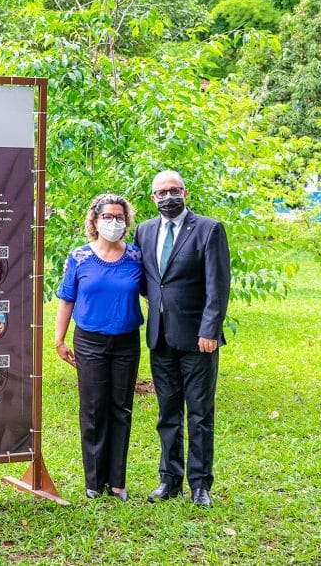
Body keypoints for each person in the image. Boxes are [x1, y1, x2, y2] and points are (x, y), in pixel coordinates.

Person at [133, 171, 231, 508]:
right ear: (153, 198)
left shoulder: (208, 229)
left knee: (200, 414)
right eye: (161, 193)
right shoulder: (144, 231)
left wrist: (210, 330)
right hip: (160, 336)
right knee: (168, 412)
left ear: (185, 192)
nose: (168, 197)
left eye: (173, 190)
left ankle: (200, 485)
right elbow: (145, 279)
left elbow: (218, 285)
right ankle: (169, 479)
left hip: (198, 339)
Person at [55, 194, 144, 503]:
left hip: (126, 342)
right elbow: (66, 299)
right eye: (107, 216)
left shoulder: (136, 257)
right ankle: (94, 481)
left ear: (126, 221)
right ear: (94, 220)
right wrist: (59, 340)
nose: (113, 222)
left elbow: (155, 290)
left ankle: (117, 481)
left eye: (119, 217)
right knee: (93, 408)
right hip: (90, 342)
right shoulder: (79, 257)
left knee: (121, 408)